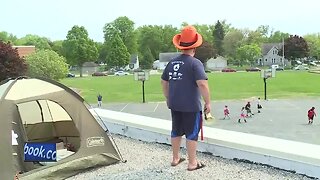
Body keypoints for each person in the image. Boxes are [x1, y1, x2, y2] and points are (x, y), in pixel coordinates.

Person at [161, 25, 210, 171]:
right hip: (191, 106)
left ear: (181, 46)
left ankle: (176, 158)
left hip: (175, 104)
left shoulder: (172, 62)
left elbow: (164, 81)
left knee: (176, 131)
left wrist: (168, 97)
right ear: (195, 48)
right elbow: (202, 83)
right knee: (192, 133)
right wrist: (208, 102)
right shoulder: (195, 63)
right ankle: (192, 163)